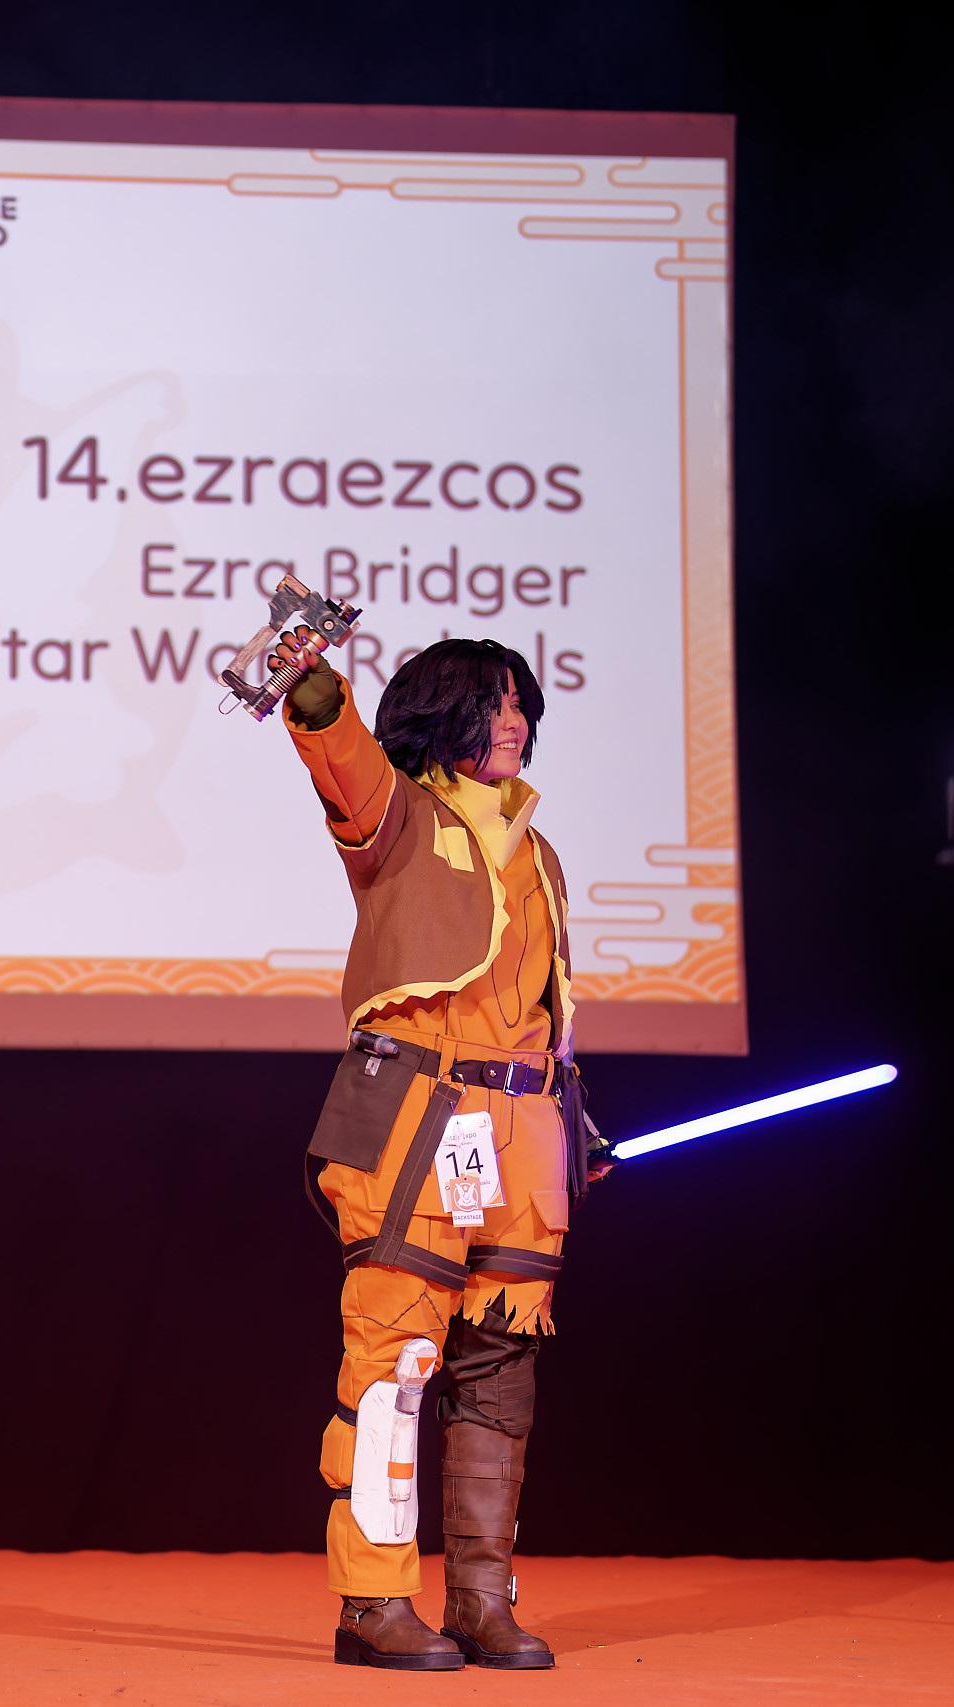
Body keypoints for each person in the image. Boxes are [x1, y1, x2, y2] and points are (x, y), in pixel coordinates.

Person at [271, 633, 602, 1672]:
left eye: (519, 704)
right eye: (490, 702)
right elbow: (340, 755)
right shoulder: (397, 814)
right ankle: (373, 1601)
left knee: (500, 1370)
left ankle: (480, 1599)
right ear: (438, 716)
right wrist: (312, 686)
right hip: (417, 1109)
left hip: (524, 1130)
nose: (512, 720)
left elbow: (544, 1009)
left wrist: (576, 1124)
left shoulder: (540, 852)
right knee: (395, 1360)